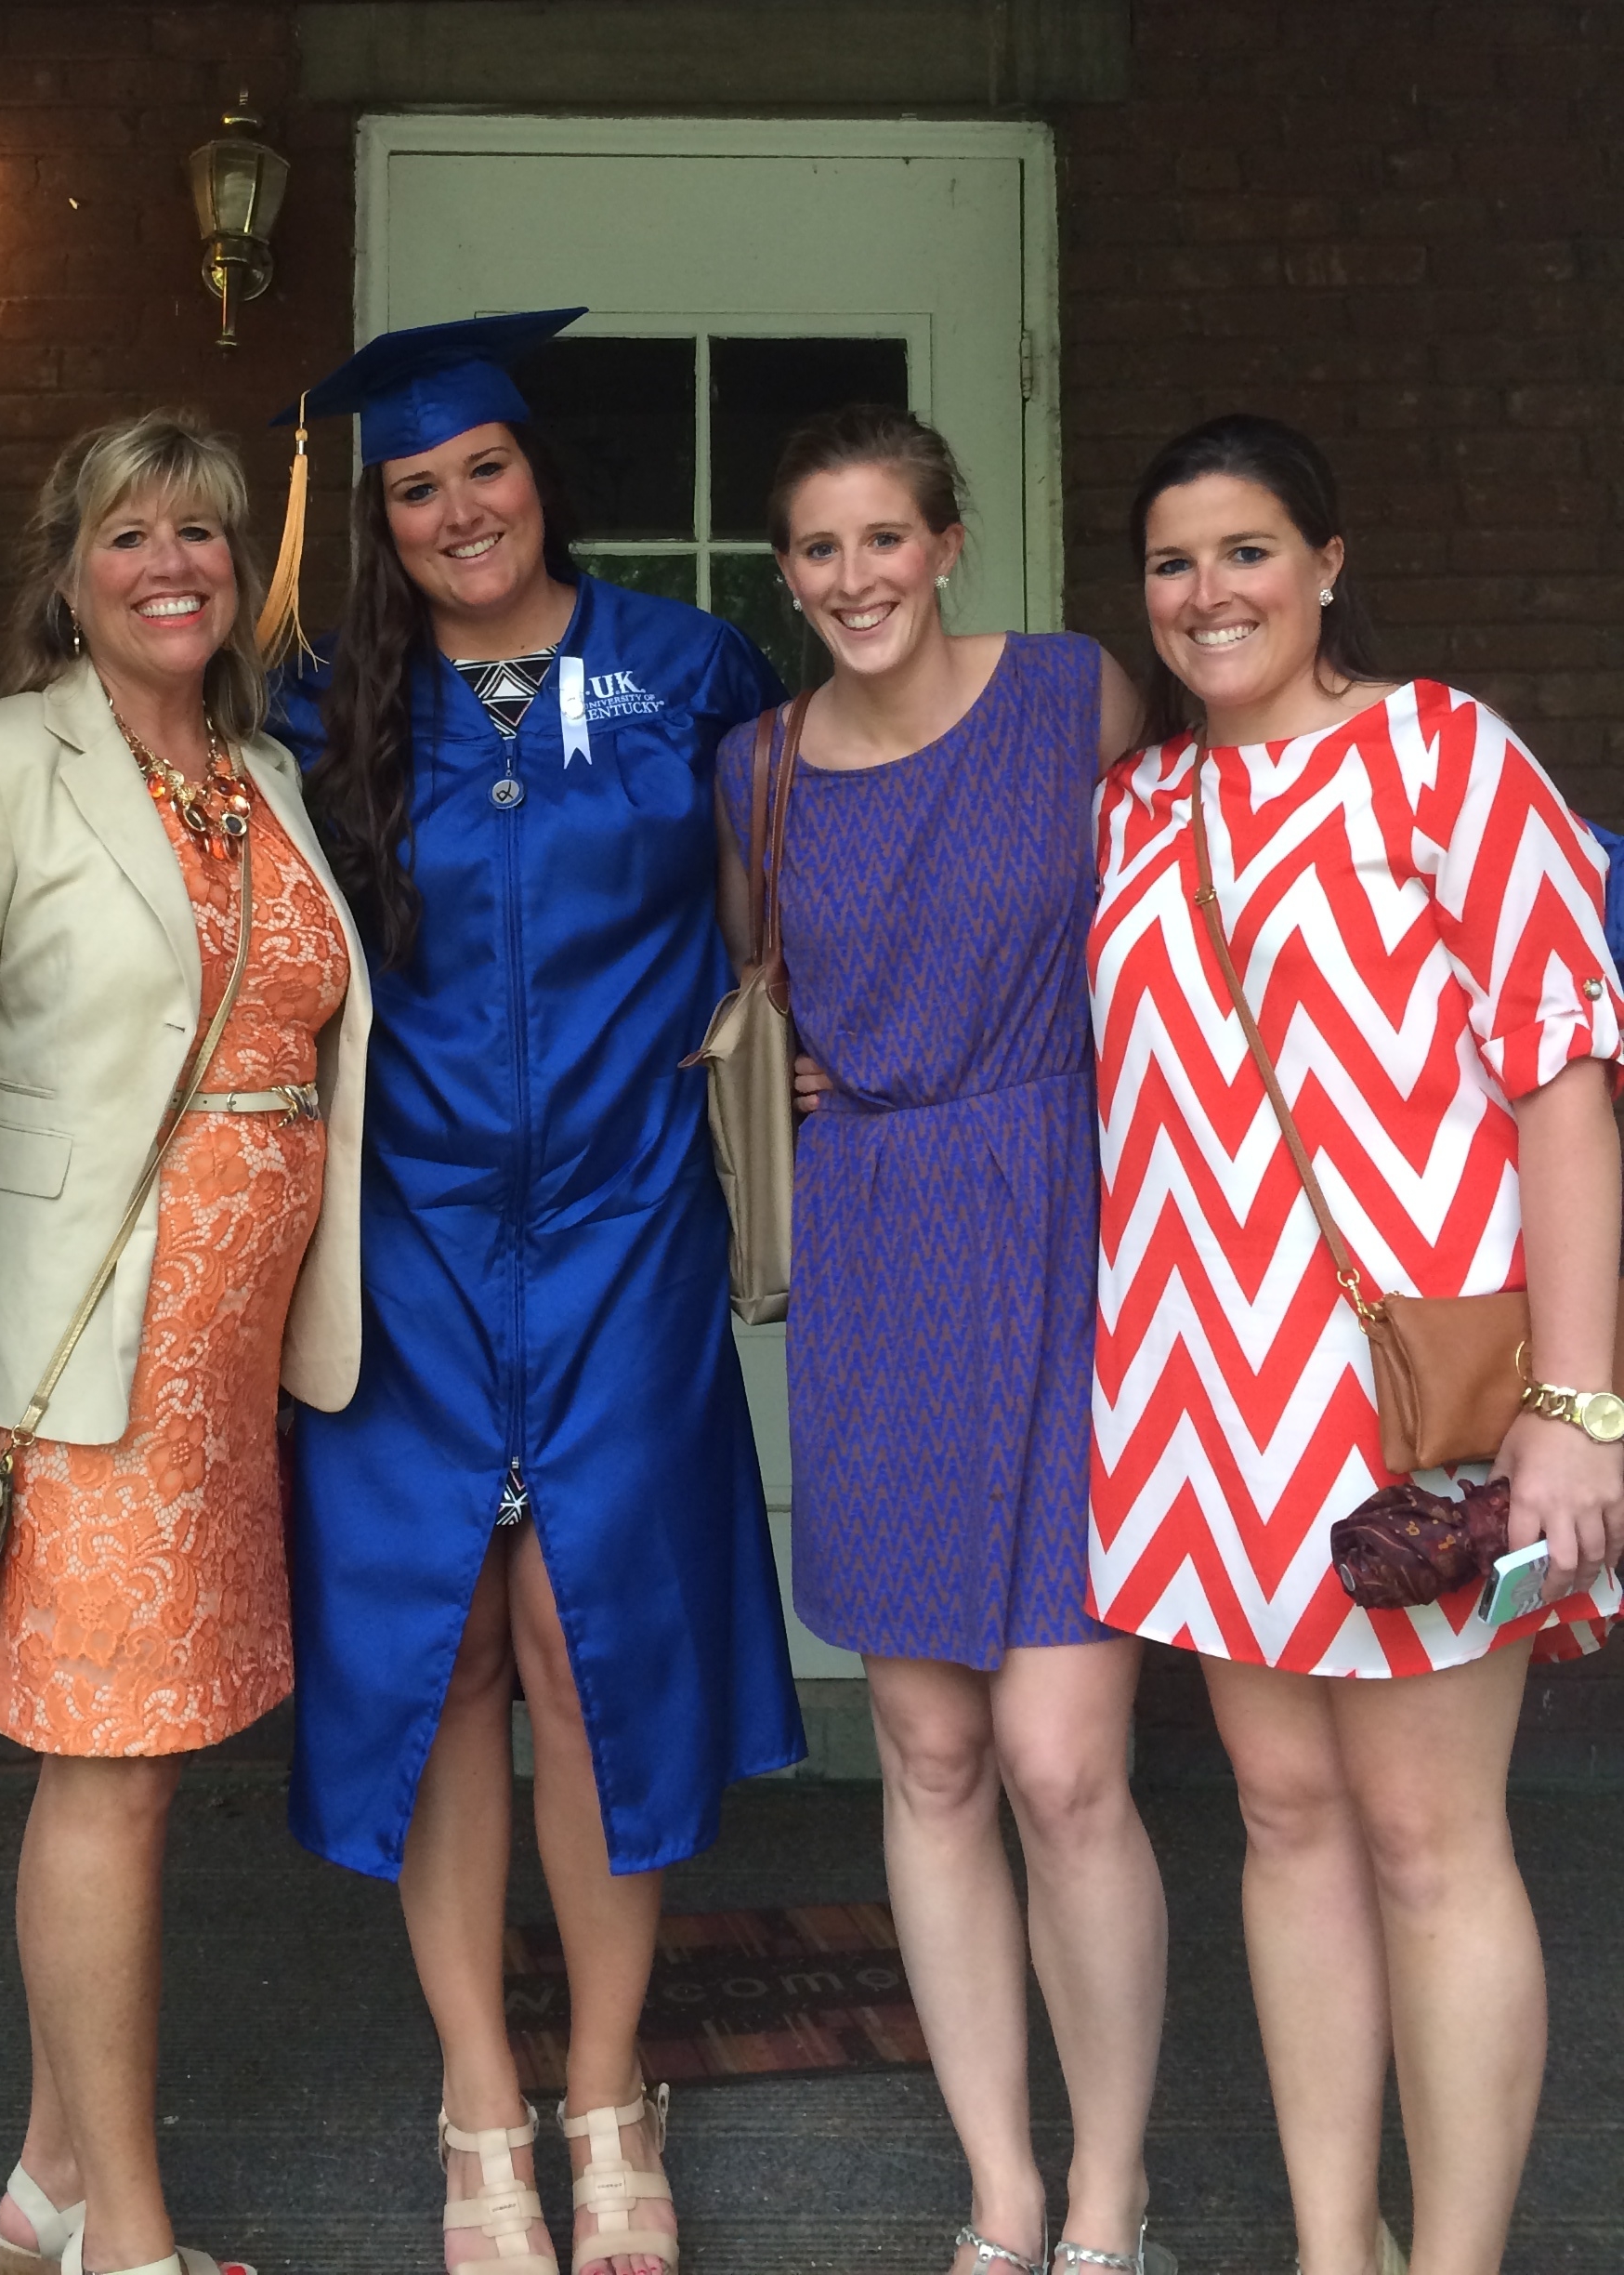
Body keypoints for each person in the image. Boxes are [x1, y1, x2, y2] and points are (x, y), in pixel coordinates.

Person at [271, 309, 805, 2275]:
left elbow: (777, 917)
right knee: (448, 1662)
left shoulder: (688, 672)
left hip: (624, 1228)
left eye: (481, 468)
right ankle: (479, 2100)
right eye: (414, 487)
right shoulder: (328, 702)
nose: (456, 510)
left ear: (537, 471)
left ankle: (607, 2093)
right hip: (401, 1241)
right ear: (382, 518)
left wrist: (803, 1052)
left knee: (595, 1656)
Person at [1090, 413, 1624, 2275]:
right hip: (1200, 1392)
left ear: (1327, 562)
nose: (1208, 592)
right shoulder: (1135, 811)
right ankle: (1339, 2246)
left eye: (1248, 551)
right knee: (1289, 1813)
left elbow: (1567, 1087)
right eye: (1173, 561)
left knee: (1426, 1835)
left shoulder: (1443, 756)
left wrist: (1579, 1410)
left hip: (1422, 1404)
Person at [0, 409, 370, 2275]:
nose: (174, 562)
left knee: (134, 1770)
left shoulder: (267, 769)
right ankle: (129, 2236)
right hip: (72, 1353)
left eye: (207, 534)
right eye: (130, 535)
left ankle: (46, 2186)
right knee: (110, 1770)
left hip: (226, 1368)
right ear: (68, 571)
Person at [766, 405, 1172, 2275]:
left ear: (947, 542)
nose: (854, 578)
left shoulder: (1074, 695)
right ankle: (1004, 2184)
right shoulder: (753, 775)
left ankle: (1114, 2184)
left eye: (882, 540)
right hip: (876, 1256)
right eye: (818, 551)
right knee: (929, 1753)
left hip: (1072, 1229)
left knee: (1067, 1759)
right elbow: (751, 1003)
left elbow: (1185, 905)